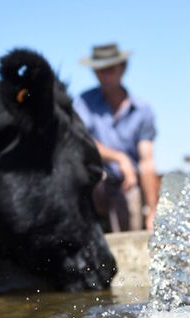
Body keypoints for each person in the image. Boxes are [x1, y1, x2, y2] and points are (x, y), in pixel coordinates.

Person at [74, 43, 159, 232]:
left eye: (109, 69)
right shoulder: (84, 102)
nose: (104, 75)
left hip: (129, 186)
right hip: (94, 182)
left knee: (132, 205)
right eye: (99, 70)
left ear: (122, 68)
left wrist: (152, 210)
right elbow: (81, 140)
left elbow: (146, 162)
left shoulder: (143, 110)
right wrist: (119, 158)